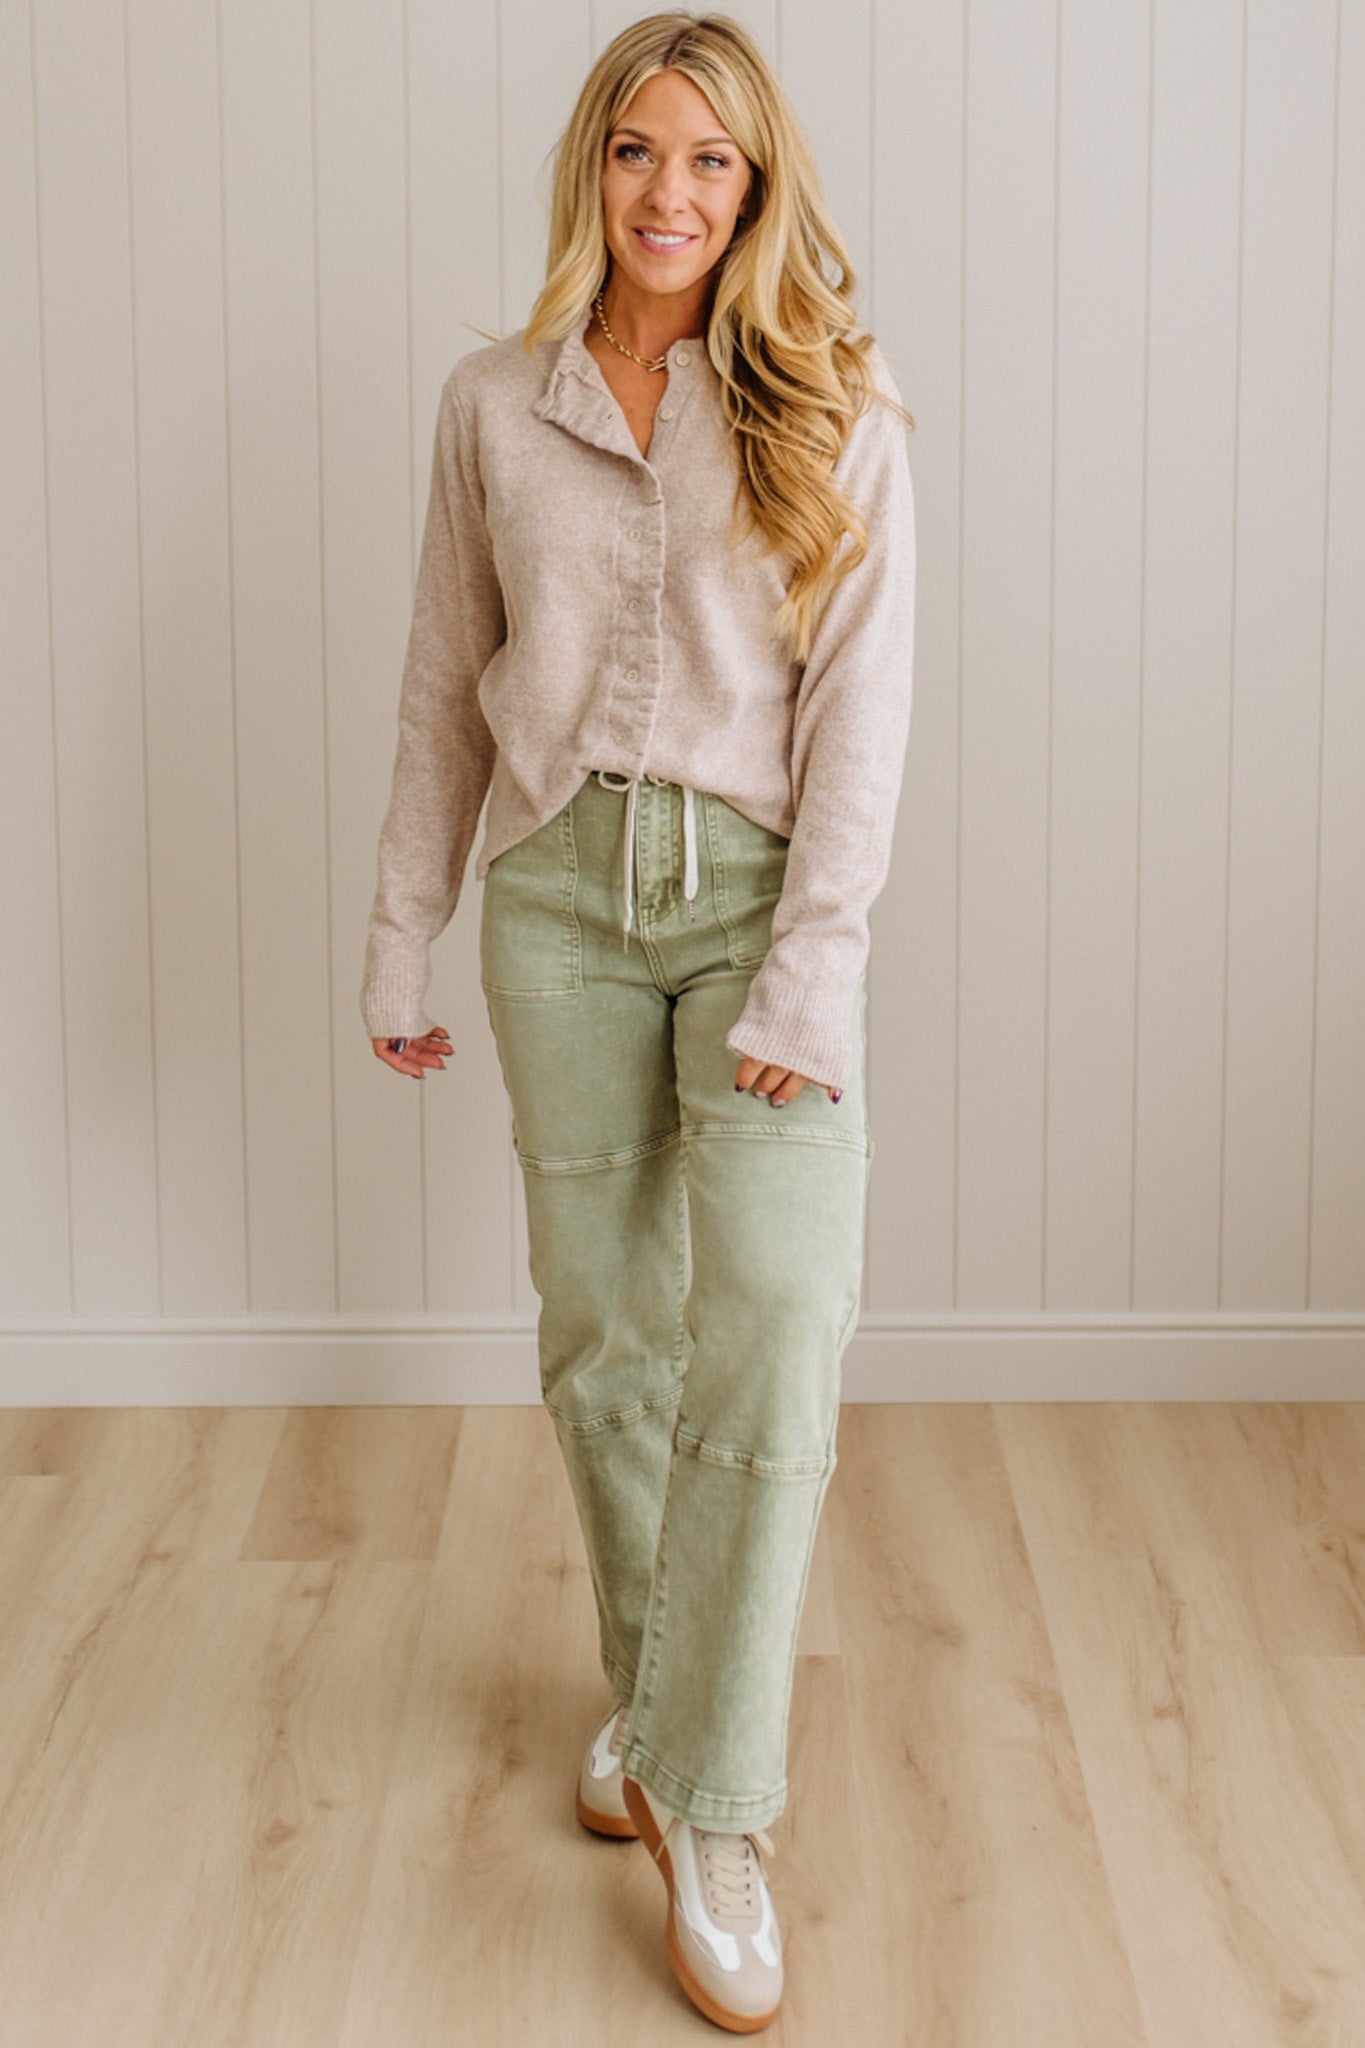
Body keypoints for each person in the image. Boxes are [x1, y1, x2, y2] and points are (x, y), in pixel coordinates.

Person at [360, 10, 915, 2032]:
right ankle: (662, 1710)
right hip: (555, 907)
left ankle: (712, 1795)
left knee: (772, 1322)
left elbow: (861, 718)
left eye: (710, 161)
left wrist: (812, 974)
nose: (667, 193)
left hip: (755, 905)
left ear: (755, 190)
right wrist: (399, 934)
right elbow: (444, 677)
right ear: (587, 166)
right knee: (603, 1331)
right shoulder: (489, 406)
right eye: (634, 151)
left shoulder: (837, 403)